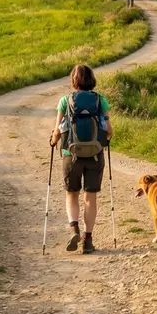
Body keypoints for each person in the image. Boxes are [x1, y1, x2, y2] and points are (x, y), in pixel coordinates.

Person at [50, 64, 113, 254]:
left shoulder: (65, 100)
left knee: (72, 194)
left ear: (74, 80)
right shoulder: (101, 100)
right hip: (94, 155)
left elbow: (57, 130)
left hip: (71, 155)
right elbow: (109, 130)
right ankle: (88, 240)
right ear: (92, 79)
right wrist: (103, 140)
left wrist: (53, 141)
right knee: (90, 197)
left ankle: (74, 229)